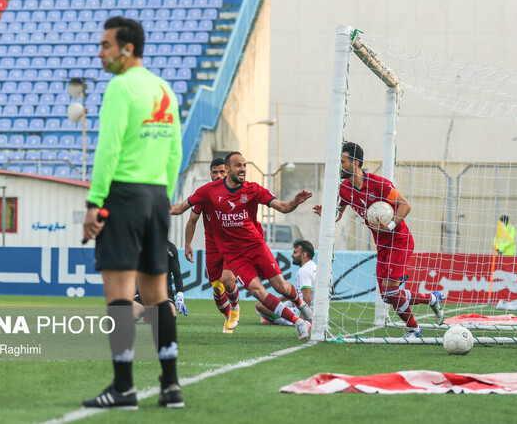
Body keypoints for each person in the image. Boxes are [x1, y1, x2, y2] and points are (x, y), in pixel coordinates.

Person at [81, 17, 183, 410]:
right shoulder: (163, 88)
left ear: (127, 48)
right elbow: (174, 151)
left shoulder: (120, 87)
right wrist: (162, 192)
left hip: (123, 195)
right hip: (157, 195)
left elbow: (108, 150)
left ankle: (123, 388)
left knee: (119, 293)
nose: (101, 52)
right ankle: (171, 386)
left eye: (106, 45)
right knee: (158, 296)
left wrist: (95, 203)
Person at [171, 152, 314, 339]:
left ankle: (303, 307)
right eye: (238, 166)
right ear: (228, 169)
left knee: (281, 287)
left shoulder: (253, 189)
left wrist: (295, 202)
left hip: (256, 246)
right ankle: (299, 322)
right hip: (234, 255)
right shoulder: (208, 191)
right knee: (257, 292)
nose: (243, 169)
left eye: (244, 166)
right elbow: (180, 208)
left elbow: (283, 207)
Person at [313, 142, 444, 338]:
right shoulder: (344, 189)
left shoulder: (379, 184)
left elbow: (405, 206)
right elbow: (338, 216)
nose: (340, 166)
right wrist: (327, 214)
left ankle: (414, 329)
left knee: (391, 293)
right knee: (386, 296)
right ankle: (432, 298)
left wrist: (390, 225)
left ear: (355, 163)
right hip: (382, 245)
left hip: (399, 240)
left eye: (343, 161)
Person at [183, 158, 240, 334]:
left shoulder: (236, 191)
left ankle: (235, 308)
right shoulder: (205, 194)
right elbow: (192, 221)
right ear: (210, 173)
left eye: (222, 172)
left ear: (228, 172)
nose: (218, 175)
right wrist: (187, 244)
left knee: (228, 280)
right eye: (214, 172)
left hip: (232, 244)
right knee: (217, 288)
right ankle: (227, 317)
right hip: (212, 246)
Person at [256, 240, 316, 326]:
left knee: (260, 305)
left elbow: (307, 297)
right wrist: (280, 299)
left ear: (304, 255)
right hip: (313, 310)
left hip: (301, 313)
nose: (292, 255)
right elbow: (303, 293)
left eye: (295, 253)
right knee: (273, 303)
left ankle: (275, 320)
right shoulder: (314, 267)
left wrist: (303, 322)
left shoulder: (304, 271)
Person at [133, 241, 187, 320]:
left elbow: (177, 274)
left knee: (169, 318)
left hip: (164, 292)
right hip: (143, 291)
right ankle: (146, 311)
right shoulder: (139, 245)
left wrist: (180, 295)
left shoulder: (170, 248)